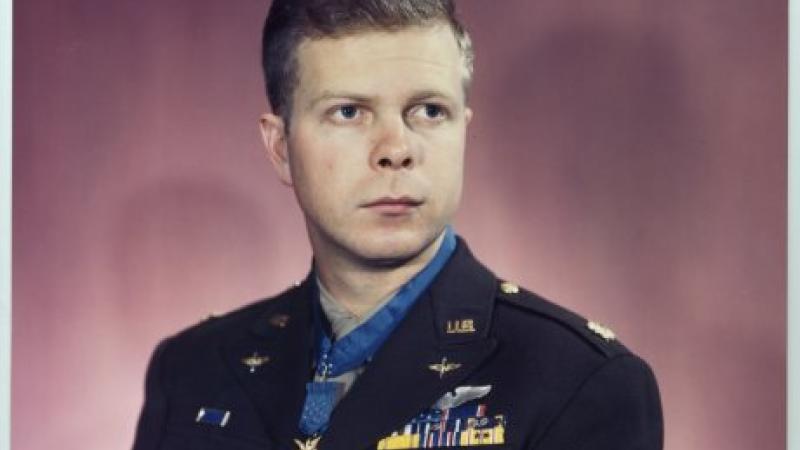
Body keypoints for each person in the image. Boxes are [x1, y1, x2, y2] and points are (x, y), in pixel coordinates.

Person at [132, 1, 663, 449]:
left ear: (464, 133)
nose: (396, 150)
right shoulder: (194, 369)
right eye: (349, 112)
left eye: (429, 111)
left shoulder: (579, 381)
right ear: (281, 148)